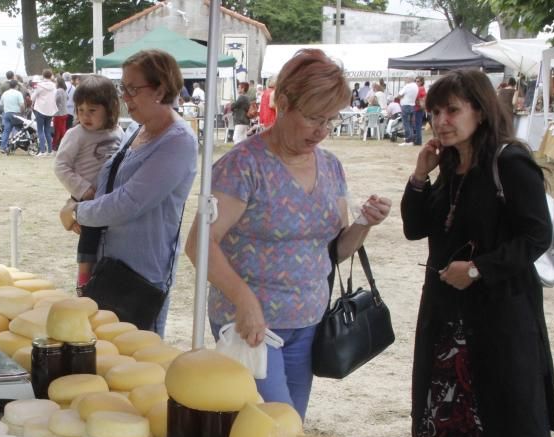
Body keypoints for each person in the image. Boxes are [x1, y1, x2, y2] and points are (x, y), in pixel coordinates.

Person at [401, 69, 554, 437]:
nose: (442, 122)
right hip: (447, 319)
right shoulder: (453, 165)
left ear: (479, 111)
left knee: (516, 422)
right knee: (438, 420)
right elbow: (415, 227)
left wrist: (479, 269)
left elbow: (537, 235)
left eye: (453, 111)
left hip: (500, 318)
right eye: (436, 112)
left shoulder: (509, 162)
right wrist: (420, 174)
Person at [185, 49, 391, 418]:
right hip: (250, 324)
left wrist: (363, 224)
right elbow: (199, 244)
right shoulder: (242, 166)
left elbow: (334, 251)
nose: (322, 130)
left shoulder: (331, 166)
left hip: (308, 321)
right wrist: (245, 301)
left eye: (331, 119)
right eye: (313, 117)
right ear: (282, 103)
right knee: (269, 426)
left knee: (291, 423)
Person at [59, 49, 197, 335]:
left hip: (140, 276)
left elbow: (129, 201)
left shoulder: (178, 142)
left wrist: (78, 212)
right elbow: (108, 183)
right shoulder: (136, 129)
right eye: (124, 88)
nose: (125, 96)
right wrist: (80, 199)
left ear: (160, 89)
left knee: (134, 358)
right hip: (107, 265)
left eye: (132, 89)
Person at [53, 75, 123, 291]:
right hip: (88, 198)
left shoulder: (118, 132)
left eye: (92, 110)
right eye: (81, 110)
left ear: (109, 108)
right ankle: (83, 282)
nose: (85, 116)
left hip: (111, 198)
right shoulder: (77, 134)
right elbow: (61, 166)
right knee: (89, 238)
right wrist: (84, 190)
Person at [31, 69, 58, 157]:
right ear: (51, 76)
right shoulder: (54, 86)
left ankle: (42, 151)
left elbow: (33, 97)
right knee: (47, 130)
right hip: (50, 111)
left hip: (40, 109)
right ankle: (50, 151)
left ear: (43, 76)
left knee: (40, 130)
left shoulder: (40, 85)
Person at [0, 80, 25, 155]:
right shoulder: (18, 93)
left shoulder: (5, 93)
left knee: (6, 131)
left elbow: (1, 104)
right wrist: (22, 113)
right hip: (16, 114)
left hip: (7, 114)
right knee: (21, 130)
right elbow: (22, 105)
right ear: (16, 86)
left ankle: (3, 147)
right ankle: (18, 144)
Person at [398, 77, 420, 146]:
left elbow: (399, 95)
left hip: (405, 105)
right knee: (410, 123)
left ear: (409, 79)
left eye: (406, 79)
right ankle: (411, 139)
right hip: (412, 105)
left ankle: (408, 140)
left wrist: (401, 96)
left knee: (406, 123)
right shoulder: (416, 86)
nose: (405, 80)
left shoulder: (407, 86)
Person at [52, 76, 69, 152]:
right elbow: (67, 98)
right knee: (62, 130)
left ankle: (54, 146)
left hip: (58, 113)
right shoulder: (64, 90)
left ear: (58, 83)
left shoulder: (58, 91)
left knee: (57, 131)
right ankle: (65, 144)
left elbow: (56, 100)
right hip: (65, 112)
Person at [413, 76, 427, 146]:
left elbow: (415, 96)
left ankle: (418, 141)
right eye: (415, 81)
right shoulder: (422, 89)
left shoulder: (420, 88)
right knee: (417, 125)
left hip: (418, 108)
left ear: (421, 82)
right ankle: (418, 140)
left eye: (418, 81)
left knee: (417, 125)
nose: (416, 82)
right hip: (419, 108)